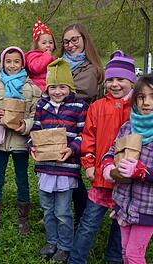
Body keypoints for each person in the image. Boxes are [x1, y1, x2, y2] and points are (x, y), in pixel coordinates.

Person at [68, 50, 137, 264]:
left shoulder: (138, 109)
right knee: (89, 222)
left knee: (121, 223)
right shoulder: (97, 107)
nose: (115, 84)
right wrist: (88, 163)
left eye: (121, 79)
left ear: (132, 82)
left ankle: (114, 258)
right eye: (111, 80)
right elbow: (88, 137)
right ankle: (76, 259)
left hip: (127, 180)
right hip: (101, 176)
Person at [0, 46, 41, 235]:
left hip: (21, 142)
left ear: (22, 64)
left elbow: (37, 115)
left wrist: (26, 125)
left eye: (17, 61)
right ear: (2, 63)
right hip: (0, 142)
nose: (12, 65)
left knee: (22, 179)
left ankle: (23, 219)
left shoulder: (32, 89)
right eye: (8, 61)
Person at [29, 58, 88, 262]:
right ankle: (51, 241)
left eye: (62, 87)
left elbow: (84, 135)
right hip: (45, 167)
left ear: (69, 87)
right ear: (47, 88)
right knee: (47, 208)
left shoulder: (79, 106)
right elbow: (35, 131)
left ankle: (64, 246)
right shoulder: (41, 106)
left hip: (66, 168)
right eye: (53, 87)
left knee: (63, 211)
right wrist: (32, 147)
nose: (57, 91)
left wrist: (72, 150)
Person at [102, 73, 153, 264]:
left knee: (134, 255)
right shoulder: (128, 127)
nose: (146, 102)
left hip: (147, 207)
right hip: (124, 203)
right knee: (124, 252)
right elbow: (111, 151)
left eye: (152, 97)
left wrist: (142, 171)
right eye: (141, 97)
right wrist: (108, 166)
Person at [61, 23, 105, 226]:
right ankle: (64, 210)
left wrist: (56, 88)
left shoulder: (91, 68)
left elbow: (81, 91)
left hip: (81, 123)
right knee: (63, 167)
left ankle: (84, 214)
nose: (70, 45)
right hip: (60, 121)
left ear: (84, 40)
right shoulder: (60, 64)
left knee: (75, 170)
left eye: (75, 40)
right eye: (66, 41)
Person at [25, 17, 56, 92]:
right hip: (37, 87)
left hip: (49, 85)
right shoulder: (32, 55)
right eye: (44, 43)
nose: (48, 45)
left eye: (51, 42)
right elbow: (36, 68)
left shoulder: (52, 57)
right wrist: (47, 56)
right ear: (36, 45)